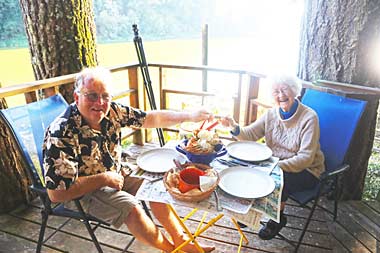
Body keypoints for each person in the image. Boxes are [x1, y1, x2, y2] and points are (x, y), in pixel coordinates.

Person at [43, 67, 215, 253]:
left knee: (157, 187)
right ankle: (174, 251)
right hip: (82, 191)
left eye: (105, 96)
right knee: (132, 209)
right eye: (92, 96)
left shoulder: (113, 112)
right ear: (77, 98)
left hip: (116, 173)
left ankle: (182, 242)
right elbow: (56, 194)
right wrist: (104, 178)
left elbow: (151, 118)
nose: (99, 103)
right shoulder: (61, 132)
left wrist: (189, 116)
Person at [220, 74, 325, 240]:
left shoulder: (309, 117)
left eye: (285, 90)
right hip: (275, 163)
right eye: (276, 91)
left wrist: (273, 168)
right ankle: (251, 212)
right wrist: (233, 126)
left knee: (279, 179)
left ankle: (277, 218)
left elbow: (306, 158)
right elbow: (251, 134)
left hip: (307, 170)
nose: (281, 95)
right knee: (247, 168)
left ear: (295, 91)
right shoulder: (271, 114)